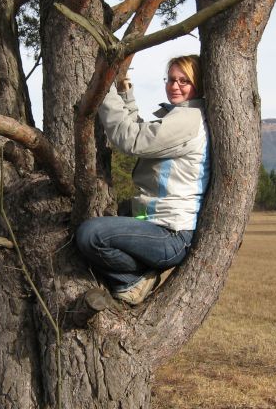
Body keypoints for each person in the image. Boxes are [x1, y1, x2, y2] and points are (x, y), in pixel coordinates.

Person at [76, 55, 210, 305]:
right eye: (171, 79)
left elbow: (131, 140)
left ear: (198, 84)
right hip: (160, 227)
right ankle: (141, 273)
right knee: (117, 213)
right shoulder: (184, 116)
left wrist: (102, 89)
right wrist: (127, 98)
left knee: (90, 235)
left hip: (171, 234)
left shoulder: (188, 120)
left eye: (184, 81)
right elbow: (146, 137)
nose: (175, 86)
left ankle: (132, 280)